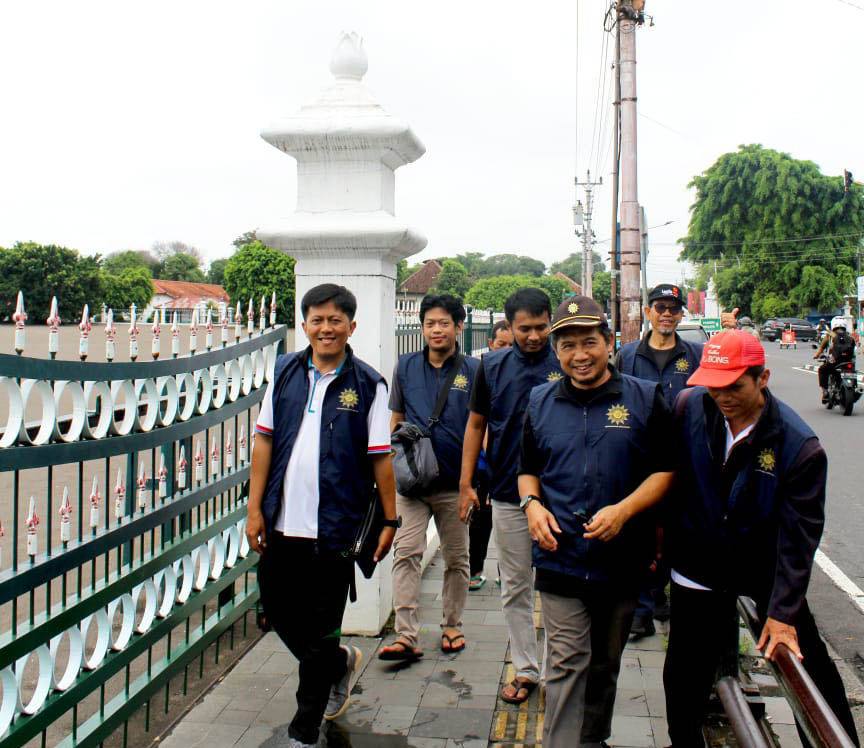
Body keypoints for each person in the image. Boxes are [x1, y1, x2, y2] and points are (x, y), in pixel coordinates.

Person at [663, 329, 860, 748]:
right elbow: (671, 480)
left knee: (810, 669)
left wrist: (784, 612)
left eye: (734, 386)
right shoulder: (689, 407)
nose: (723, 397)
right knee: (683, 678)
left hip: (762, 569)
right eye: (714, 387)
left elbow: (799, 539)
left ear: (762, 379)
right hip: (697, 567)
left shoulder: (799, 446)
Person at [245, 284, 398, 748]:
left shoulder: (368, 384)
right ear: (304, 324)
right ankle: (337, 663)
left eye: (335, 320)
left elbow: (380, 456)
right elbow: (265, 440)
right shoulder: (285, 372)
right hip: (281, 522)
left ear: (351, 326)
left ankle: (303, 730)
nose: (325, 328)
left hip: (335, 529)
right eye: (316, 319)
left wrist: (390, 521)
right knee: (275, 608)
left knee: (321, 625)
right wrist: (254, 510)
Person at [519, 295, 675, 748]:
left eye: (589, 342)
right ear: (556, 351)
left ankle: (592, 738)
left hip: (622, 557)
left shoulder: (645, 399)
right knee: (567, 661)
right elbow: (527, 468)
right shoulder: (540, 401)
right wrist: (532, 506)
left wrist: (624, 510)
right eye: (567, 345)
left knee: (605, 662)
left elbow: (666, 470)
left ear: (609, 342)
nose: (580, 355)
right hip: (559, 555)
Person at [460, 287, 563, 704]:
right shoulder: (494, 366)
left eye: (542, 327)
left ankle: (561, 669)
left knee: (558, 588)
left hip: (558, 493)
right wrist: (467, 483)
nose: (535, 336)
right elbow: (475, 425)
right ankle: (525, 668)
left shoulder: (566, 362)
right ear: (509, 326)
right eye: (525, 329)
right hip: (505, 491)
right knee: (516, 585)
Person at [380, 293, 479, 660]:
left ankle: (452, 624)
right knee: (405, 553)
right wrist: (391, 470)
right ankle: (405, 634)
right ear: (422, 328)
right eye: (429, 323)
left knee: (457, 557)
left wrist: (470, 484)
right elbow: (396, 420)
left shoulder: (473, 372)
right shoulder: (405, 366)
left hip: (454, 484)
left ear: (458, 326)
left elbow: (478, 426)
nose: (436, 330)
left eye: (443, 323)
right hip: (411, 483)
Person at [615, 283, 703, 638]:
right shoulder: (628, 355)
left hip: (685, 456)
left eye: (673, 308)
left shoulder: (695, 355)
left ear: (682, 314)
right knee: (642, 529)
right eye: (660, 307)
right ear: (648, 312)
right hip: (641, 458)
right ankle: (642, 608)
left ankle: (661, 596)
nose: (667, 314)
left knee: (676, 529)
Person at [468, 319, 514, 591]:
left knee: (509, 523)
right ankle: (475, 569)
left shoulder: (517, 372)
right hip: (486, 465)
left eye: (511, 345)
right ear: (490, 344)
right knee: (481, 521)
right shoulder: (482, 372)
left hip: (510, 464)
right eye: (501, 344)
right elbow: (477, 422)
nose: (506, 349)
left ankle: (505, 571)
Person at [815, 319, 856, 402]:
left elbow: (822, 347)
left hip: (835, 362)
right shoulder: (849, 336)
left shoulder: (830, 335)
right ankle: (855, 390)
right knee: (853, 372)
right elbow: (853, 350)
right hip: (848, 363)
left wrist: (816, 356)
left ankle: (825, 391)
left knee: (822, 370)